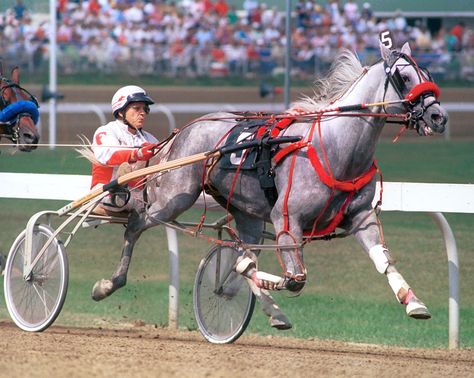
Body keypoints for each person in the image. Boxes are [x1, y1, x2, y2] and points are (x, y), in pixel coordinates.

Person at [90, 85, 158, 215]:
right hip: (103, 192)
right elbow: (107, 155)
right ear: (121, 112)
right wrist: (136, 154)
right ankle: (119, 188)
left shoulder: (150, 139)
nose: (142, 113)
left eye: (145, 108)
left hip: (138, 196)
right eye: (137, 108)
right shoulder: (106, 131)